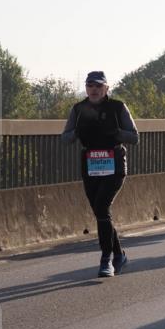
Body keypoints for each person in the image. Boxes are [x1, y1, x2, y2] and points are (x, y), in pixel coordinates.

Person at [61, 71, 139, 278]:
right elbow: (65, 138)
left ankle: (107, 260)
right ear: (86, 88)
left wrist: (115, 132)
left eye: (98, 86)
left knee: (102, 207)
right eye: (90, 86)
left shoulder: (118, 107)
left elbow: (134, 137)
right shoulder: (78, 109)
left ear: (106, 88)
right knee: (100, 212)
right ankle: (119, 255)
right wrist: (76, 132)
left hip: (114, 163)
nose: (94, 90)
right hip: (90, 164)